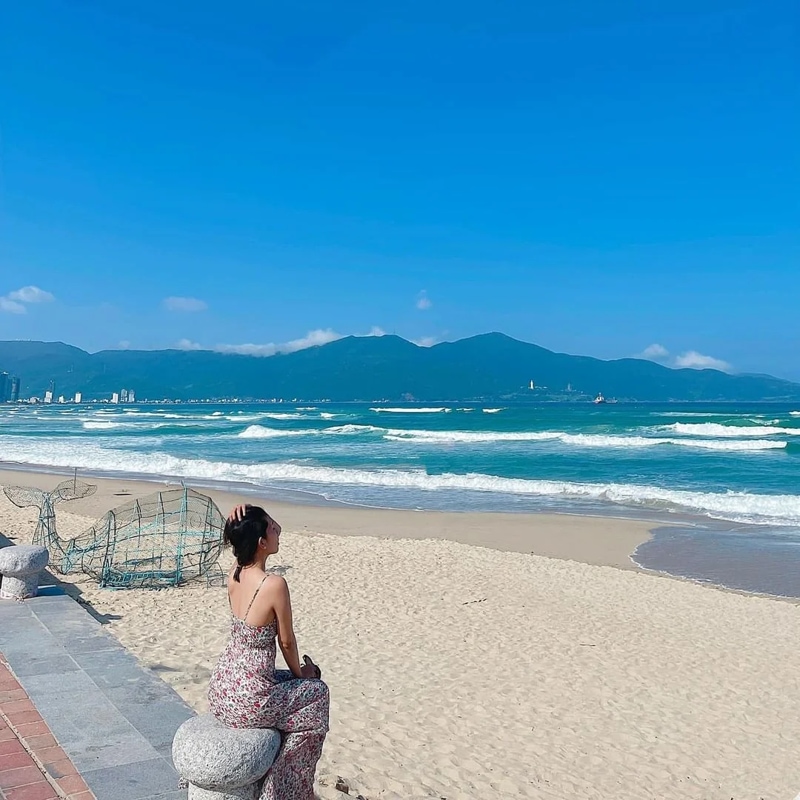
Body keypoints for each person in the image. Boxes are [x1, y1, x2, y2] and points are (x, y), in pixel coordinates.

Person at [208, 504, 329, 800]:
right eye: (273, 527)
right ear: (262, 543)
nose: (279, 530)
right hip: (250, 700)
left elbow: (238, 538)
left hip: (223, 688)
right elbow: (287, 643)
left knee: (291, 682)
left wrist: (240, 518)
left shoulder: (234, 573)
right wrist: (304, 674)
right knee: (318, 694)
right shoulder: (274, 584)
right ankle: (285, 789)